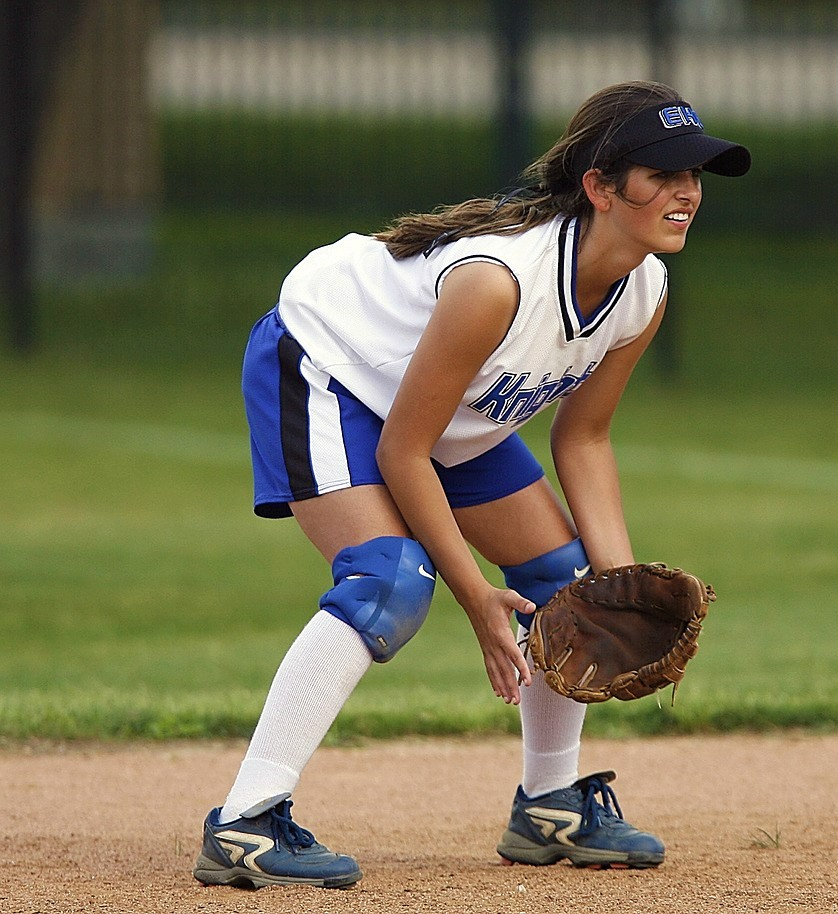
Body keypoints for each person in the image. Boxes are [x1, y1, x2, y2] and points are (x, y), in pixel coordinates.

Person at [192, 80, 750, 889]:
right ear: (599, 186)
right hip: (331, 366)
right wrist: (475, 596)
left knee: (566, 584)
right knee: (389, 581)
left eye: (695, 174)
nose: (687, 192)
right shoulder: (499, 282)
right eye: (662, 173)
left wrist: (618, 581)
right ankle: (245, 822)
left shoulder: (644, 290)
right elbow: (404, 452)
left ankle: (550, 806)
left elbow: (584, 437)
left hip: (449, 408)